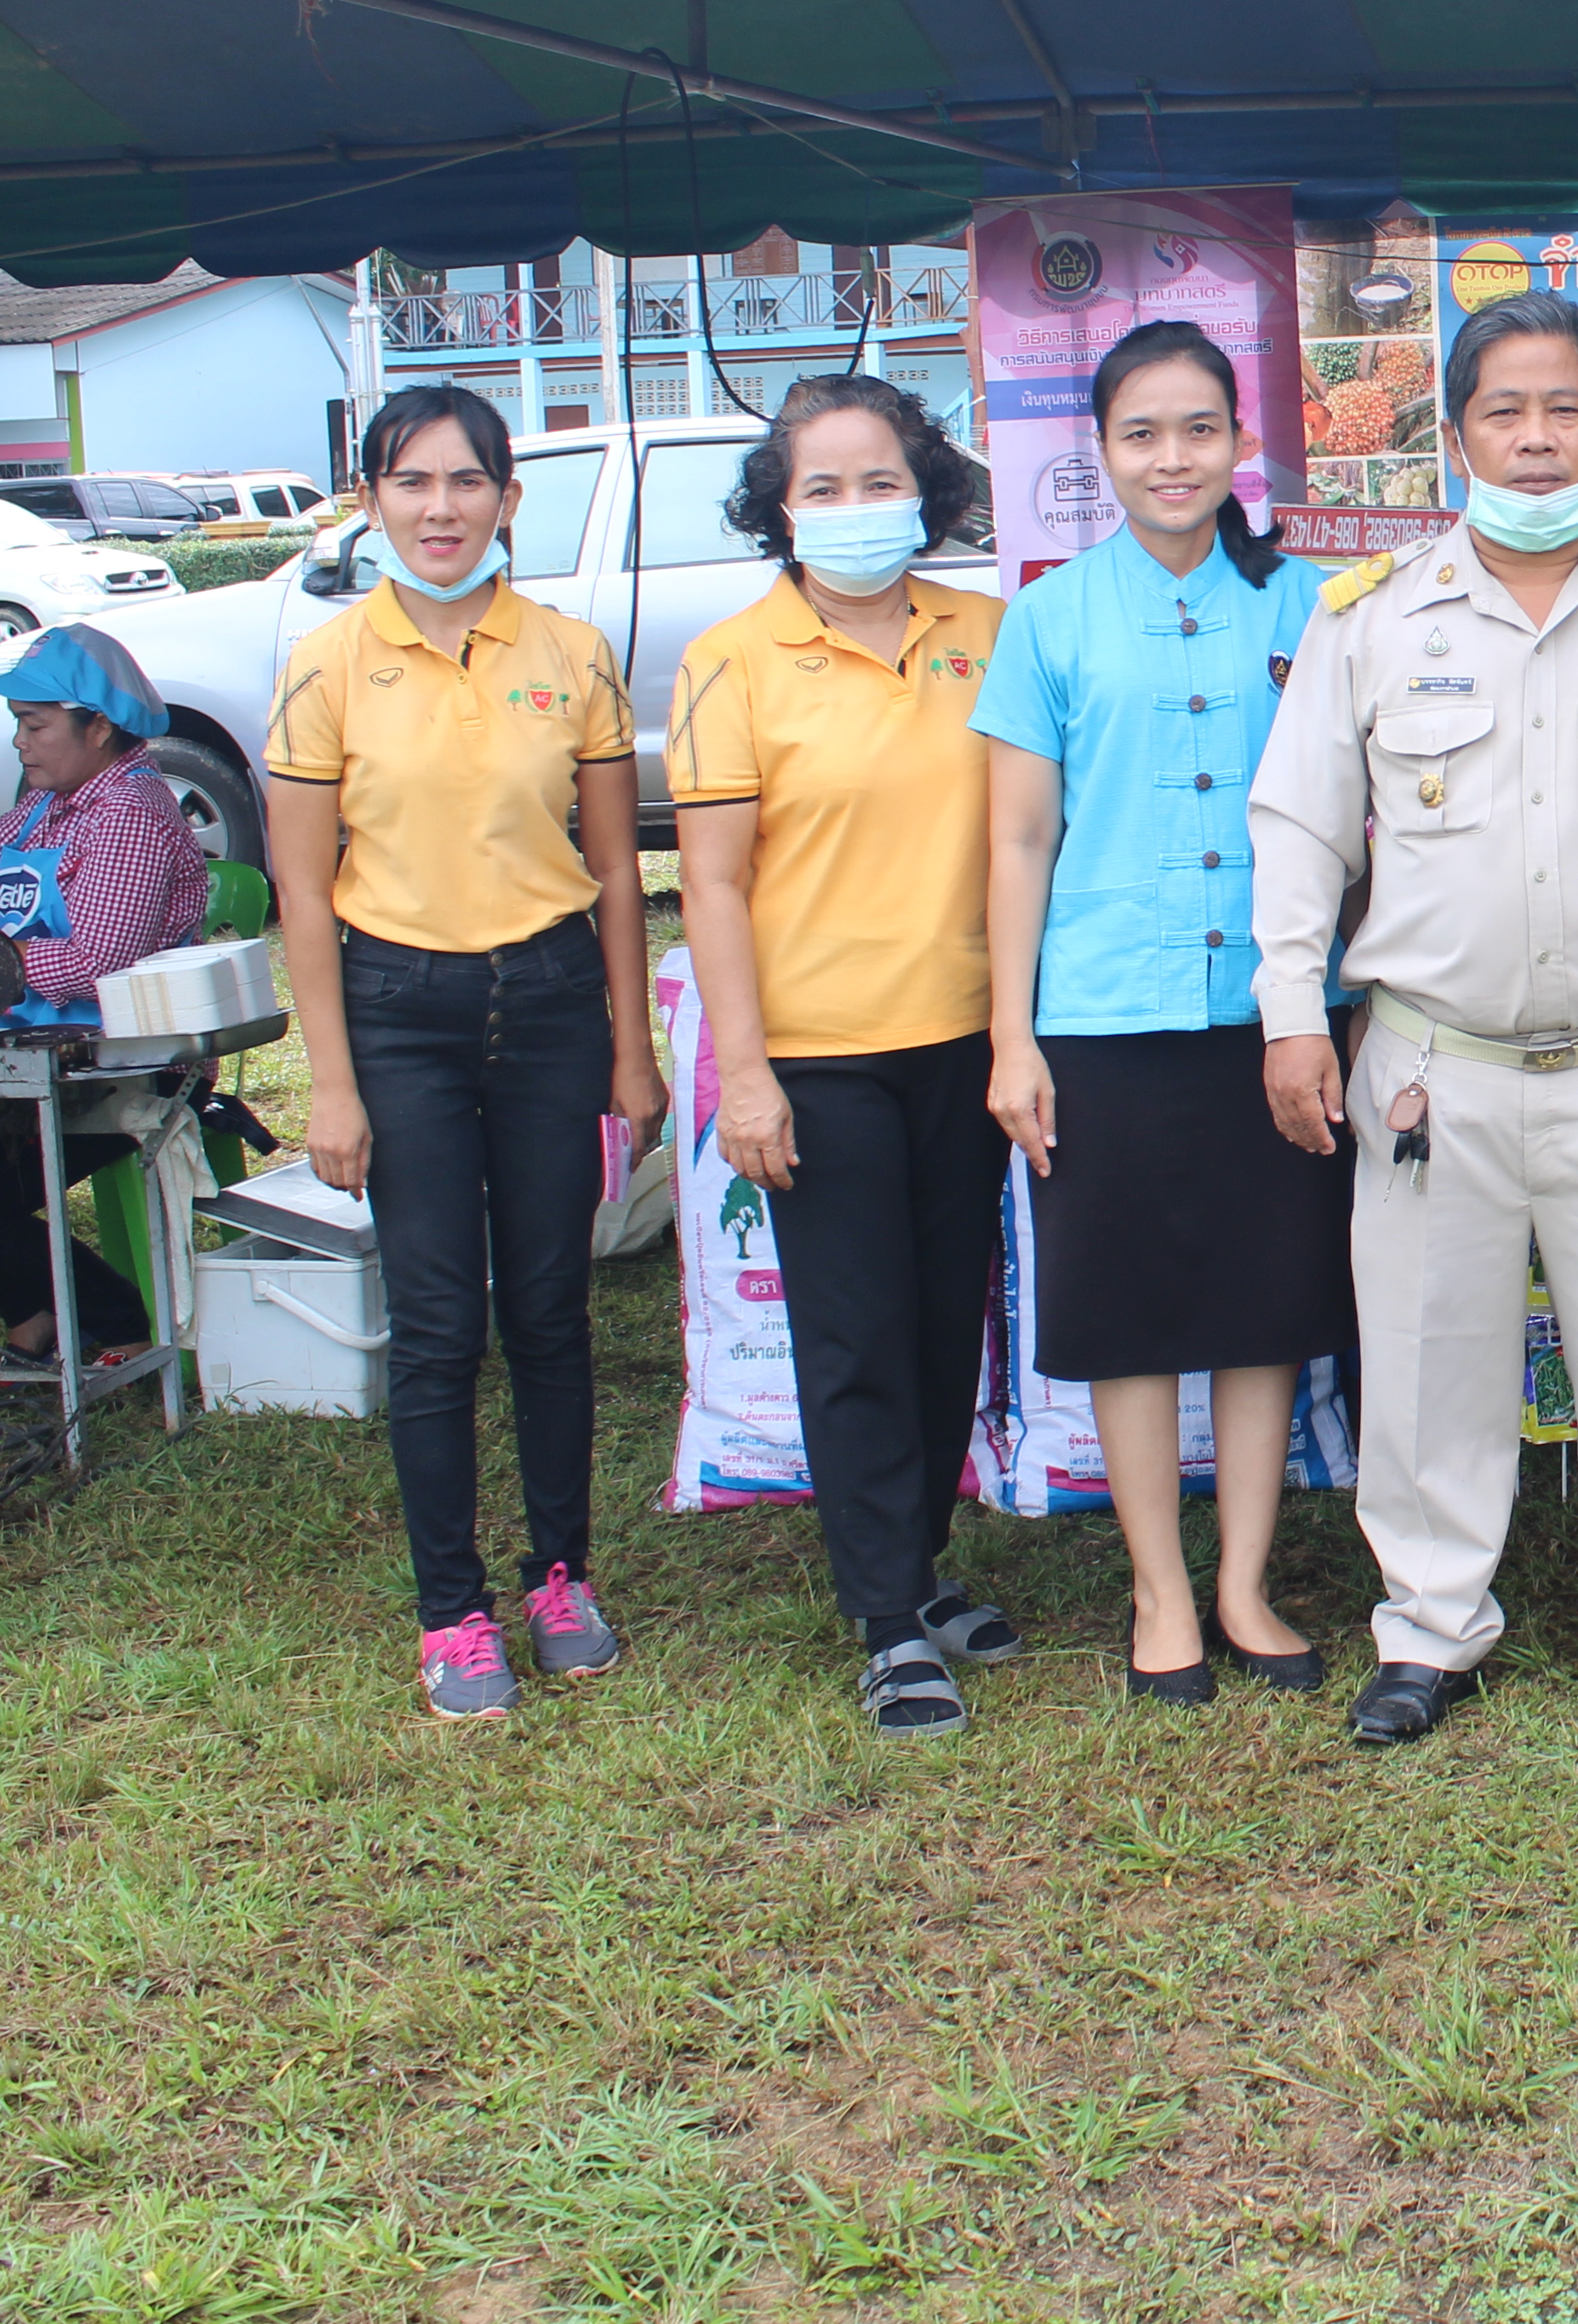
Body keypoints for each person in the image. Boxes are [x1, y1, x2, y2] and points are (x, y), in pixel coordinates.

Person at [1249, 289, 1578, 1748]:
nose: (1536, 439)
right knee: (1429, 1365)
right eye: (1505, 410)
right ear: (1454, 434)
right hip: (1435, 1063)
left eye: (1564, 410)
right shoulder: (1371, 618)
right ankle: (1428, 1629)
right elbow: (1300, 829)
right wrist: (1291, 1012)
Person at [266, 384, 663, 1724]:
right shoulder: (327, 664)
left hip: (551, 1004)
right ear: (370, 501)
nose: (441, 509)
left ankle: (561, 1576)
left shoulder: (568, 649)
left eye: (466, 482)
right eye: (411, 482)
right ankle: (453, 1611)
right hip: (397, 1015)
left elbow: (616, 868)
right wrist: (332, 1080)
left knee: (549, 1313)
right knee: (438, 1328)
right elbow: (302, 894)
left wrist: (634, 1048)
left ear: (508, 496)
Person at [978, 323, 1347, 1709]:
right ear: (1101, 450)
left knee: (1262, 1305)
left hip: (1272, 1011)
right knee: (1130, 1310)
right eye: (1141, 432)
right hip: (1103, 1014)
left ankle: (1247, 1582)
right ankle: (1159, 1592)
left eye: (1198, 428)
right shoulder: (1050, 617)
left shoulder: (1311, 605)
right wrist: (1012, 1036)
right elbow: (1018, 843)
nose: (1171, 457)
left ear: (1242, 442)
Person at [674, 375, 1018, 1739]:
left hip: (967, 1037)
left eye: (882, 482)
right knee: (856, 1332)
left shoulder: (989, 633)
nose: (857, 509)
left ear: (927, 492)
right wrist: (743, 1073)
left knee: (946, 1321)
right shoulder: (732, 660)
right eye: (823, 487)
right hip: (817, 1053)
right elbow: (709, 883)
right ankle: (884, 1617)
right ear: (779, 509)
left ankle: (919, 1566)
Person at [0, 626, 206, 1365]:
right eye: (18, 724)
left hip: (125, 1062)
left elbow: (96, 962)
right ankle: (39, 1311)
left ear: (100, 726)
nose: (21, 742)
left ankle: (115, 1323)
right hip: (34, 1051)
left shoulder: (131, 814)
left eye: (35, 725)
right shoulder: (50, 806)